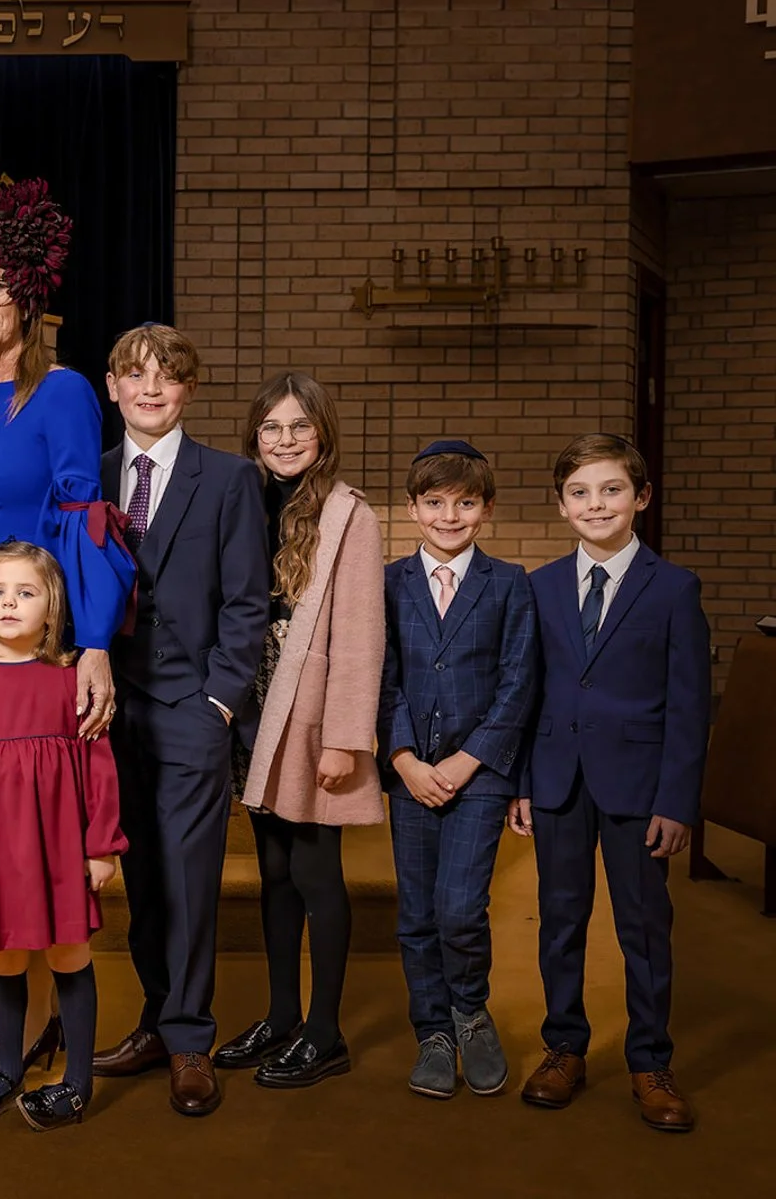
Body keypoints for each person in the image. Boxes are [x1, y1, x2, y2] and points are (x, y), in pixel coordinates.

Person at [0, 179, 135, 1075]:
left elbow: (83, 516)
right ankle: (21, 1034)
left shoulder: (58, 391)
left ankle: (60, 1032)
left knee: (46, 839)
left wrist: (89, 642)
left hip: (40, 636)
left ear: (27, 296)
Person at [89, 325, 268, 1117]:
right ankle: (156, 1019)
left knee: (193, 882)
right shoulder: (88, 479)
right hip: (110, 712)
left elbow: (246, 603)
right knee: (143, 880)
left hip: (193, 709)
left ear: (189, 388)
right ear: (112, 386)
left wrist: (219, 702)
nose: (151, 388)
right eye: (136, 375)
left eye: (167, 376)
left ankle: (192, 1036)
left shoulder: (230, 480)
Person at [508, 433, 709, 1133]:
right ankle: (564, 1048)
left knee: (643, 927)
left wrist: (676, 801)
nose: (596, 504)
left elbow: (689, 704)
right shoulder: (539, 586)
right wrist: (524, 783)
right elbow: (529, 693)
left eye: (612, 490)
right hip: (559, 779)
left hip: (640, 787)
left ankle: (650, 1058)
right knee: (560, 921)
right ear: (563, 505)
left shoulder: (675, 588)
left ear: (641, 498)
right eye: (580, 493)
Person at [0, 543, 125, 1131]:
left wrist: (101, 845)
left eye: (25, 593)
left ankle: (78, 1081)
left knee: (68, 954)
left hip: (60, 849)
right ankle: (7, 1067)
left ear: (52, 606)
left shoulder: (71, 682)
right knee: (6, 957)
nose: (9, 603)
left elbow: (99, 769)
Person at [218, 371, 384, 1089]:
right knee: (274, 875)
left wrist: (346, 737)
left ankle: (326, 1032)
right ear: (255, 436)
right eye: (272, 428)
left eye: (299, 427)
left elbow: (360, 634)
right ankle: (282, 1015)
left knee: (318, 874)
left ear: (323, 435)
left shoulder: (350, 514)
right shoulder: (242, 500)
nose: (285, 440)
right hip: (252, 712)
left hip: (311, 718)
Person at [378, 440, 538, 1101]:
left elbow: (519, 682)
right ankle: (433, 1032)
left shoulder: (509, 584)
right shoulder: (387, 584)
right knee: (416, 910)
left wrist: (470, 761)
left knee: (459, 906)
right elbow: (379, 680)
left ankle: (470, 1011)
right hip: (410, 771)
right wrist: (406, 759)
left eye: (465, 503)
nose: (450, 516)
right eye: (436, 503)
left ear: (487, 509)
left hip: (482, 772)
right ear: (414, 508)